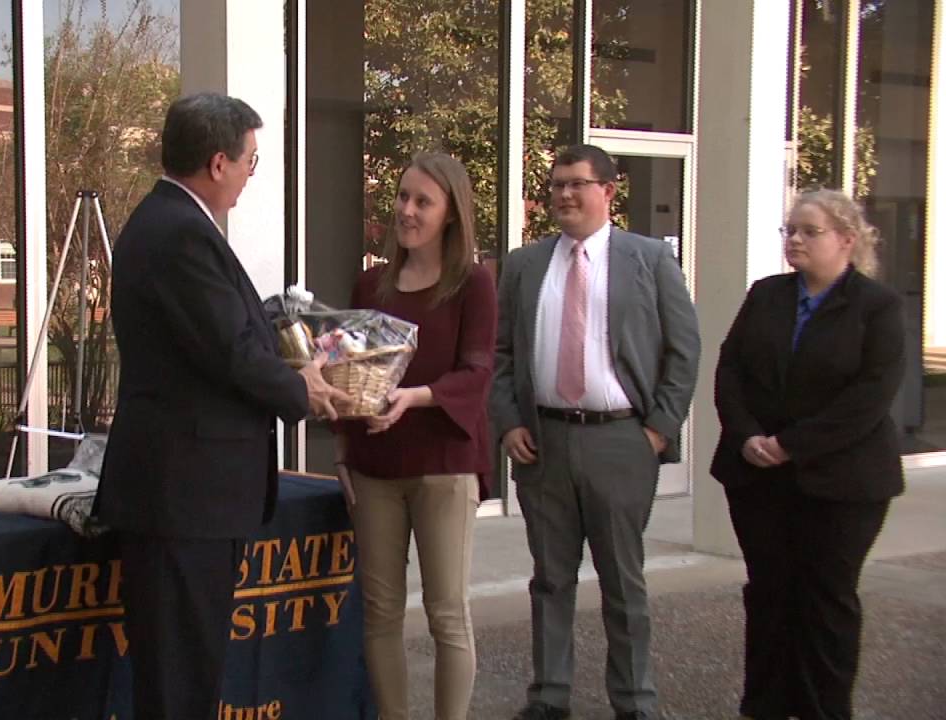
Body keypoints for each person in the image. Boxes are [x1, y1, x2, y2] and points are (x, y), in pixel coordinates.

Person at [95, 92, 349, 720]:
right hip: (183, 497)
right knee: (180, 678)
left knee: (188, 669)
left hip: (188, 496)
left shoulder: (172, 225)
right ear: (216, 163)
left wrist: (289, 341)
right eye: (250, 163)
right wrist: (305, 387)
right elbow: (229, 352)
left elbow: (226, 335)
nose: (246, 178)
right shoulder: (179, 233)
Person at [490, 144, 700, 720]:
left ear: (609, 191)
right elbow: (502, 353)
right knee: (551, 579)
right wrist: (508, 422)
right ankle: (550, 695)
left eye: (576, 184)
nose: (563, 194)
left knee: (622, 581)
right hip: (544, 441)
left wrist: (658, 430)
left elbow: (684, 350)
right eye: (556, 184)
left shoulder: (649, 259)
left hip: (621, 441)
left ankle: (635, 700)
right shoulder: (525, 264)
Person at [711, 189, 904, 720]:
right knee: (770, 595)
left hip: (843, 484)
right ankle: (766, 706)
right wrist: (747, 435)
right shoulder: (766, 295)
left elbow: (870, 396)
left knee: (826, 599)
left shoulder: (877, 307)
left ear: (846, 240)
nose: (794, 240)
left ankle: (823, 709)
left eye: (808, 231)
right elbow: (731, 371)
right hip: (759, 480)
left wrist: (792, 445)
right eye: (790, 231)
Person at [334, 153, 496, 720]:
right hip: (374, 468)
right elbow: (346, 372)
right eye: (403, 197)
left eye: (423, 201)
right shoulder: (369, 283)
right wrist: (343, 453)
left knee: (446, 612)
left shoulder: (473, 283)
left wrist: (415, 397)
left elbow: (478, 373)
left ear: (451, 214)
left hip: (444, 467)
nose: (407, 210)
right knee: (379, 612)